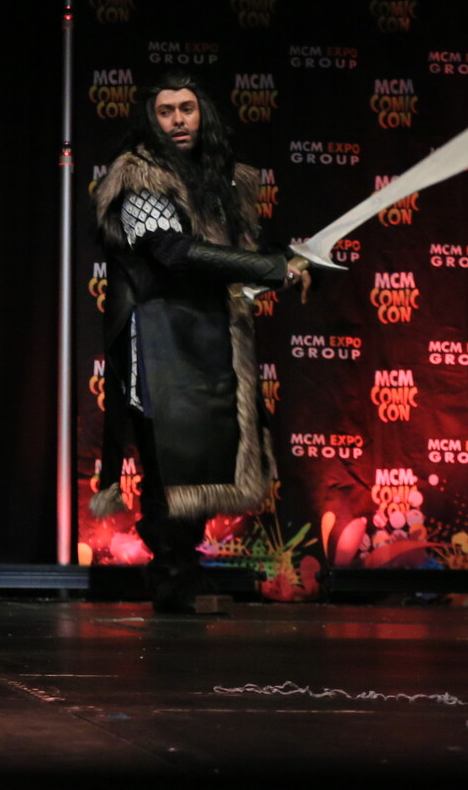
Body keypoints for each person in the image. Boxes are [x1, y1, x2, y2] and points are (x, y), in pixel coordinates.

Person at [88, 69, 310, 612]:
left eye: (186, 108)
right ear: (151, 119)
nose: (178, 120)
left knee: (204, 460)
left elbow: (240, 255)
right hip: (158, 340)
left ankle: (181, 572)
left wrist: (292, 263)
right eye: (165, 111)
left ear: (202, 113)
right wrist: (270, 267)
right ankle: (172, 577)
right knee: (170, 458)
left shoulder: (223, 181)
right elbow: (171, 252)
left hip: (211, 337)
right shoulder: (140, 176)